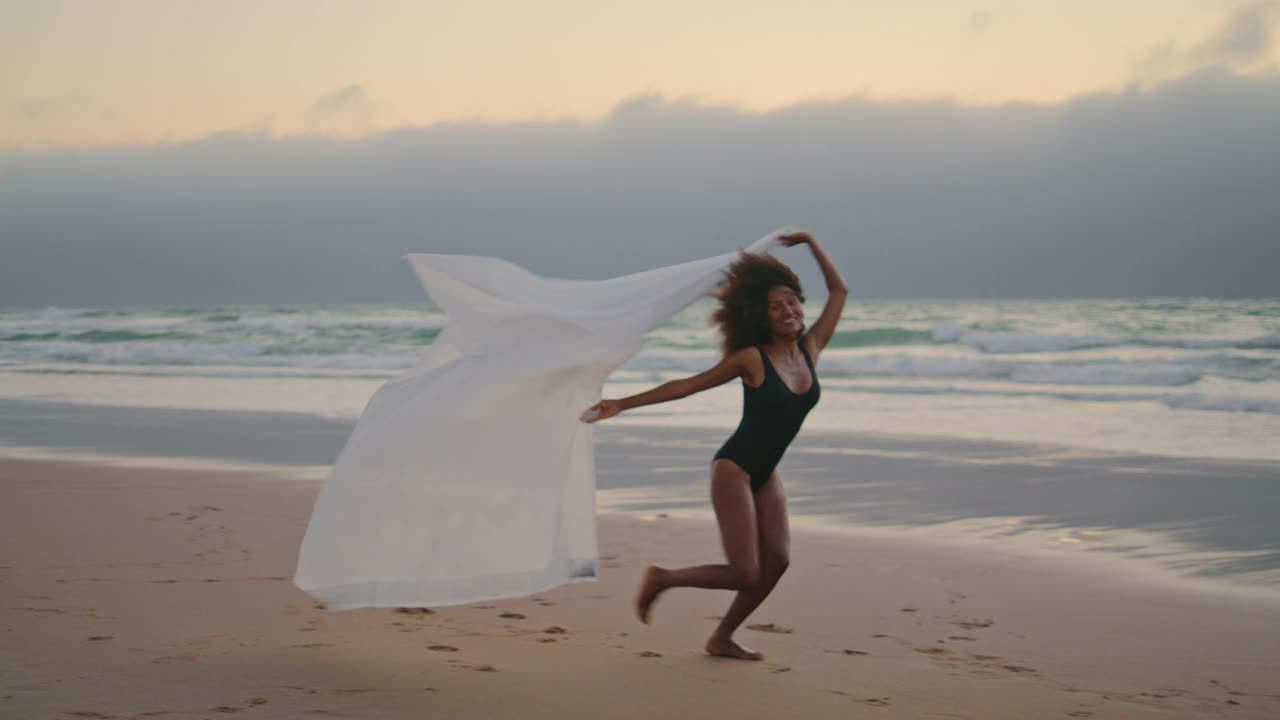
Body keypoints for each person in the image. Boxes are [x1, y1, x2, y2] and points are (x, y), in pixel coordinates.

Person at [584, 231, 848, 660]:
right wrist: (622, 403)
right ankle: (662, 579)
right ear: (762, 316)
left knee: (777, 562)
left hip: (766, 473)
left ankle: (722, 636)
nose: (787, 310)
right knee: (745, 572)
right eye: (775, 306)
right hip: (736, 469)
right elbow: (688, 385)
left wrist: (814, 243)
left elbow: (840, 290)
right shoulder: (752, 358)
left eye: (791, 302)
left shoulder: (811, 348)